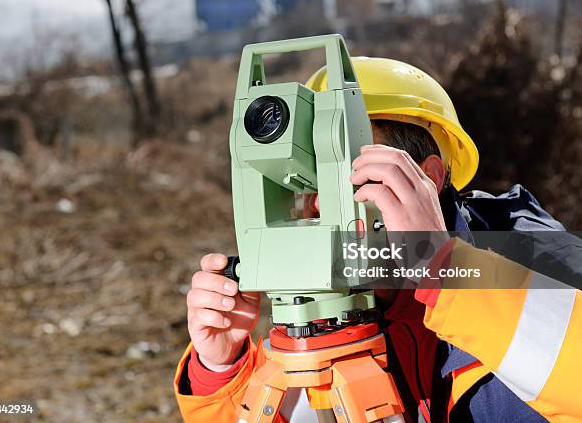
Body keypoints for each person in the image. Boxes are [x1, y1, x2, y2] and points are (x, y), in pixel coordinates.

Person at [173, 58, 582, 422]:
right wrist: (222, 370)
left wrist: (443, 268)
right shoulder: (318, 323)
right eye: (307, 183)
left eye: (344, 173)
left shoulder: (541, 260)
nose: (321, 205)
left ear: (429, 178)